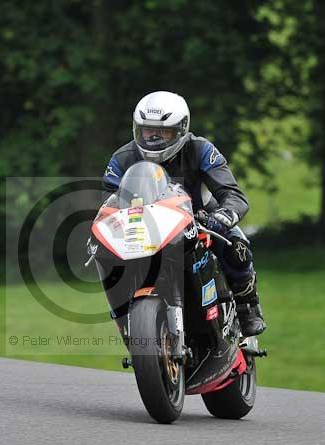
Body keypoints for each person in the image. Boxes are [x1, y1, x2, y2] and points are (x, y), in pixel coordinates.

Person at [102, 90, 266, 337]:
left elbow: (233, 194)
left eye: (163, 132)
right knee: (104, 256)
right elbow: (108, 201)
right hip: (144, 228)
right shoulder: (122, 158)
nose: (154, 137)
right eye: (147, 131)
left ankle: (247, 305)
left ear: (181, 129)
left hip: (201, 219)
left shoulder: (201, 150)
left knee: (237, 246)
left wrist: (225, 214)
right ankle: (123, 314)